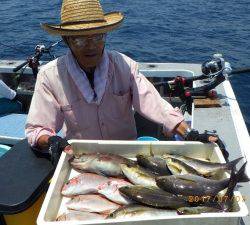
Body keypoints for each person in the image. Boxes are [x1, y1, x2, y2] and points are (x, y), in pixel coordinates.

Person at [25, 0, 218, 165]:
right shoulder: (50, 76)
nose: (91, 46)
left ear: (106, 35)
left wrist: (190, 134)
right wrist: (51, 141)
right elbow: (37, 129)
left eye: (98, 36)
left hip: (127, 157)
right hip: (81, 158)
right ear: (66, 40)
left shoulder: (125, 66)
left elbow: (155, 104)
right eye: (80, 39)